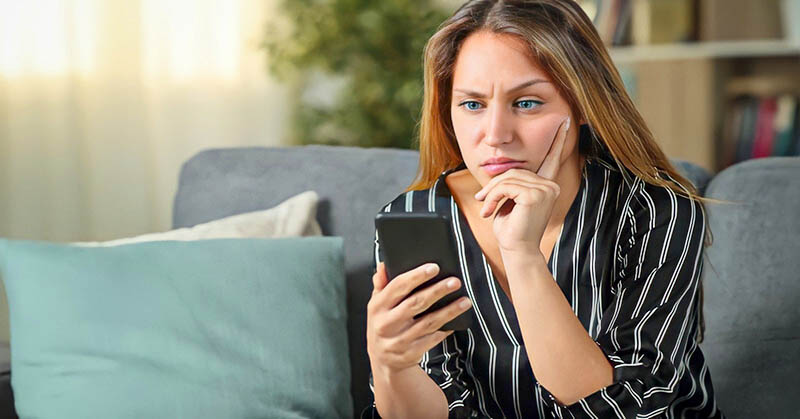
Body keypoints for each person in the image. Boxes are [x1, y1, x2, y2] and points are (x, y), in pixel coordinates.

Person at [363, 0, 724, 418]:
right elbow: (441, 405)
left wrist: (522, 256)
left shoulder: (657, 212)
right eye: (472, 104)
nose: (494, 135)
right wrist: (392, 367)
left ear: (584, 104)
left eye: (527, 103)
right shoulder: (417, 219)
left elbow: (630, 408)